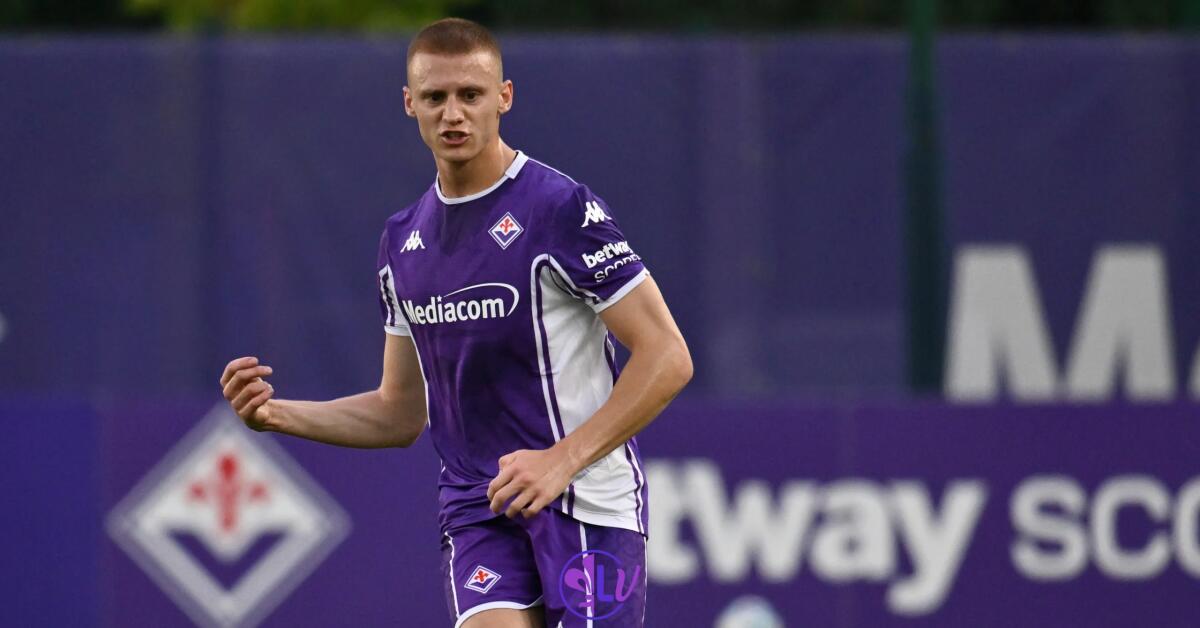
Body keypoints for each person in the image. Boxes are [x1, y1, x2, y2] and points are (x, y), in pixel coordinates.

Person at [219, 17, 691, 628]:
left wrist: (560, 460)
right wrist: (277, 415)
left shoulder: (559, 210)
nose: (453, 114)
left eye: (470, 95)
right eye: (436, 97)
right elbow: (399, 413)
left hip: (587, 503)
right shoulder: (402, 241)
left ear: (504, 97)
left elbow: (667, 355)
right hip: (478, 507)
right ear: (409, 104)